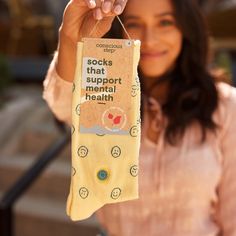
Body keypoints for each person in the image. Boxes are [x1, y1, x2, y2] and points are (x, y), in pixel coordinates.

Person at [42, 0, 236, 235]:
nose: (150, 39)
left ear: (186, 28)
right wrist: (72, 39)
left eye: (165, 22)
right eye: (133, 23)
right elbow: (63, 104)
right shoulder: (106, 94)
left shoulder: (225, 107)